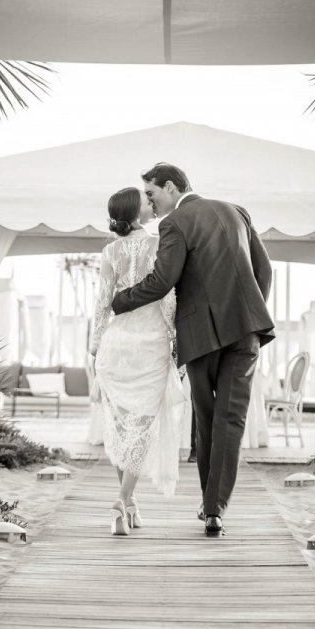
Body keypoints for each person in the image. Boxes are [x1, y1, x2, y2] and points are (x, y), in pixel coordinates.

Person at [112, 163, 275, 537]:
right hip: (246, 330)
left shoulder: (175, 223)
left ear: (170, 187)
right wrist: (249, 310)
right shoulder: (237, 211)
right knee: (230, 420)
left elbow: (162, 280)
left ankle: (211, 503)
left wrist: (118, 302)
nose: (149, 204)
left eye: (151, 194)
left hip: (200, 336)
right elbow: (264, 272)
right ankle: (214, 508)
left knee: (206, 419)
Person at [90, 187, 186, 536]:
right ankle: (121, 500)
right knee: (142, 428)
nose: (151, 203)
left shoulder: (109, 252)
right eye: (146, 201)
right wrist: (177, 342)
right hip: (150, 346)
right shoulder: (160, 245)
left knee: (120, 428)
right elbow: (168, 300)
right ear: (137, 212)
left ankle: (128, 504)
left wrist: (94, 348)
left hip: (115, 346)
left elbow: (102, 304)